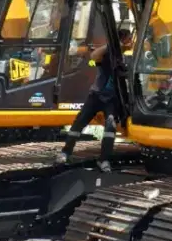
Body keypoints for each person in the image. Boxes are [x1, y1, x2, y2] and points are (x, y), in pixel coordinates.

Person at [55, 24, 134, 172]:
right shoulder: (108, 54)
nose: (131, 42)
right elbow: (93, 56)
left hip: (111, 99)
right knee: (79, 123)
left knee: (110, 127)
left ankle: (104, 160)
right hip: (96, 96)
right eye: (129, 39)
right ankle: (65, 152)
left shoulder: (129, 58)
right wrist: (112, 45)